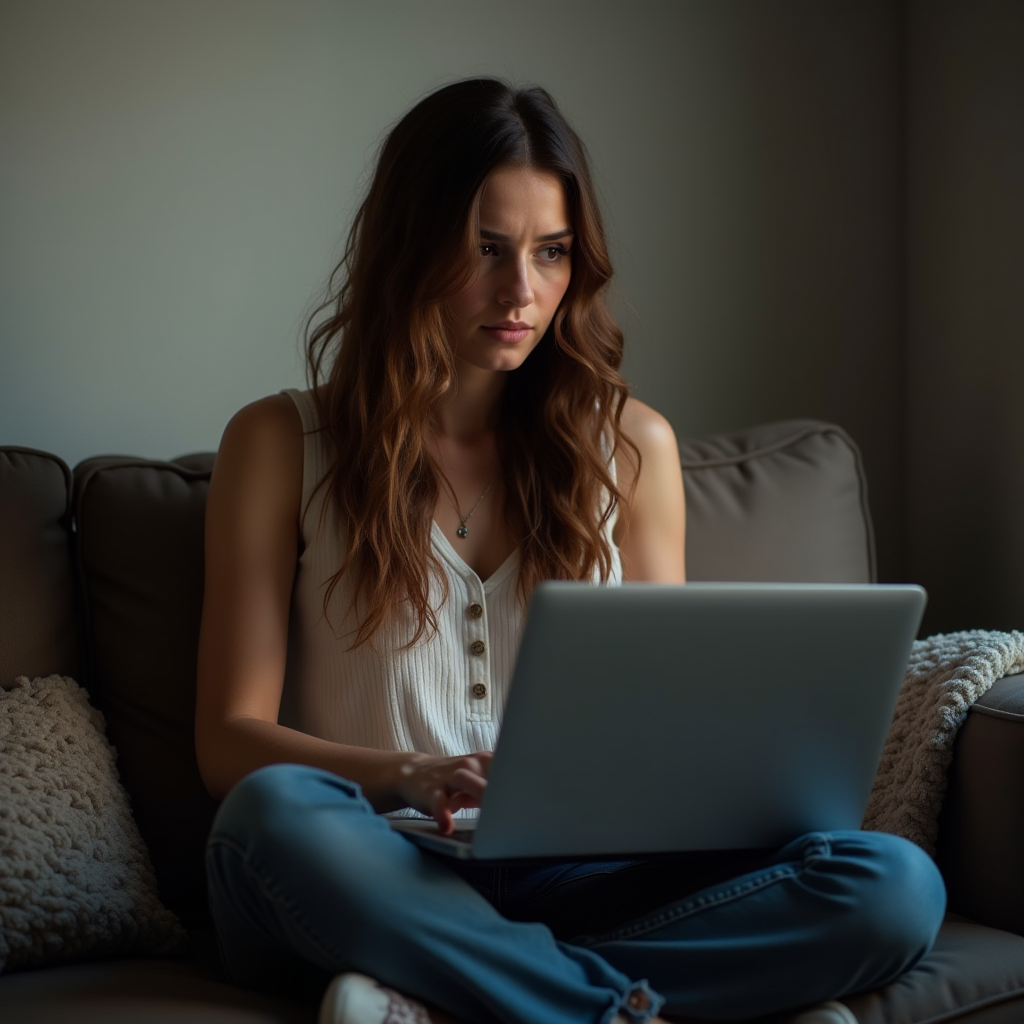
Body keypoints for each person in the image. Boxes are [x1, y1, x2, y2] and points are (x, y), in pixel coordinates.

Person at [195, 78, 945, 1024]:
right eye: (485, 251)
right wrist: (409, 773)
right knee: (270, 818)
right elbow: (230, 744)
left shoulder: (632, 448)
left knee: (892, 883)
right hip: (376, 859)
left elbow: (667, 728)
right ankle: (624, 1009)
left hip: (580, 875)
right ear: (410, 247)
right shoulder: (278, 444)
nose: (522, 293)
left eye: (551, 254)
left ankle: (446, 996)